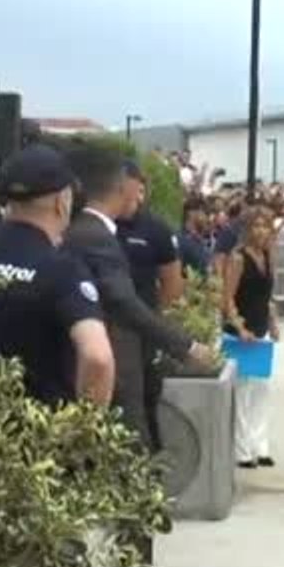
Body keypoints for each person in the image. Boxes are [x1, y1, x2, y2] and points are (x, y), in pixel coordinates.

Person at [0, 143, 115, 407]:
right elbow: (97, 357)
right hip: (41, 425)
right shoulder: (62, 271)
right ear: (62, 202)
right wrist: (87, 421)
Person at [62, 145, 213, 452]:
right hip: (113, 357)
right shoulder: (96, 237)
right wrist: (184, 345)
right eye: (137, 187)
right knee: (130, 444)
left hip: (122, 350)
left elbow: (170, 283)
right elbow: (122, 301)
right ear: (123, 187)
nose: (140, 197)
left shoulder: (82, 230)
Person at [117, 171, 186, 455]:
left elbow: (172, 281)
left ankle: (151, 462)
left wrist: (155, 321)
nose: (138, 197)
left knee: (146, 397)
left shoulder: (155, 229)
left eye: (142, 191)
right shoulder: (100, 225)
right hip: (105, 325)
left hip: (143, 329)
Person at [222, 205, 280, 469]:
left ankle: (260, 445)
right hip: (240, 334)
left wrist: (274, 322)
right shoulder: (238, 258)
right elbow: (227, 299)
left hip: (261, 330)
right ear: (247, 229)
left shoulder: (268, 256)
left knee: (261, 389)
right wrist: (239, 326)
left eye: (265, 226)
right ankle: (242, 450)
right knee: (242, 392)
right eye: (256, 225)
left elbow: (268, 297)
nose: (261, 231)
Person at [178, 196, 212, 277]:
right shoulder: (182, 241)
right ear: (192, 213)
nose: (208, 218)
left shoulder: (199, 240)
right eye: (205, 213)